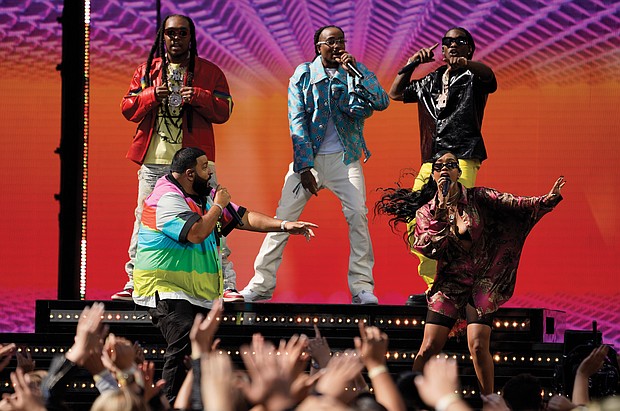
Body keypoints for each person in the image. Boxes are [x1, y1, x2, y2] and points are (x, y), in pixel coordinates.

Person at [131, 147, 317, 403]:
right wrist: (218, 206)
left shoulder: (203, 196)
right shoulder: (166, 197)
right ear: (188, 173)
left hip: (195, 294)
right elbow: (196, 232)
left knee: (199, 352)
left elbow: (244, 218)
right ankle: (170, 403)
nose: (210, 173)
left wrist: (285, 225)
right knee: (184, 339)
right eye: (204, 167)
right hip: (165, 288)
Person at [376, 151, 565, 395]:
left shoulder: (478, 197)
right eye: (440, 166)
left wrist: (548, 200)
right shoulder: (426, 212)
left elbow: (514, 203)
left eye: (451, 165)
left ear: (458, 172)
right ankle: (409, 400)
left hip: (482, 279)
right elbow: (426, 246)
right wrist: (445, 218)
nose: (445, 169)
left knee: (477, 345)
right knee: (430, 346)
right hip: (451, 281)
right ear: (433, 175)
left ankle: (489, 402)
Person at [240, 25, 390, 304]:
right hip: (310, 159)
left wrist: (357, 73)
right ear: (318, 47)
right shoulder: (304, 74)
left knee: (357, 215)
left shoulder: (355, 72)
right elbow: (296, 120)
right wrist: (305, 166)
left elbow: (381, 102)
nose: (337, 46)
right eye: (331, 42)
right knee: (282, 218)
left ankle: (362, 287)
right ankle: (261, 284)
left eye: (341, 41)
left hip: (346, 158)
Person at [112, 14, 241, 302]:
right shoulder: (147, 70)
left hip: (195, 165)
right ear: (162, 37)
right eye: (171, 33)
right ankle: (134, 282)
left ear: (190, 37)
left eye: (182, 33)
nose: (176, 38)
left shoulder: (209, 71)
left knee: (214, 216)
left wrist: (197, 95)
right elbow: (127, 107)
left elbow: (225, 110)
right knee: (144, 220)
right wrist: (149, 95)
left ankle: (227, 283)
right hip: (155, 161)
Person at [388, 27, 497, 305]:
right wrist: (412, 64)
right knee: (419, 219)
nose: (452, 46)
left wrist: (466, 64)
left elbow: (491, 78)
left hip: (462, 156)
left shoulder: (474, 77)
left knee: (457, 222)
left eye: (460, 42)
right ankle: (432, 286)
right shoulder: (431, 79)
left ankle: (460, 286)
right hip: (432, 161)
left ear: (469, 49)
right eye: (447, 43)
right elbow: (396, 93)